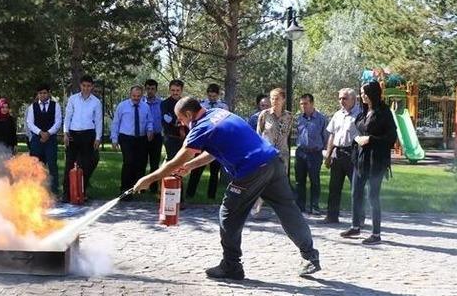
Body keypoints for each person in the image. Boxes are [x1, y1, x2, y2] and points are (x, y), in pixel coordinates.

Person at [132, 96, 321, 279]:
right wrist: (190, 166)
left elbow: (174, 162)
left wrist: (149, 179)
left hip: (251, 170)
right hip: (272, 162)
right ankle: (310, 255)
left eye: (181, 119)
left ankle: (232, 266)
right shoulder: (219, 113)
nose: (180, 123)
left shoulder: (201, 128)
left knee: (228, 215)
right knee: (288, 210)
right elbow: (213, 151)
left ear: (189, 114)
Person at [340, 82, 397, 245]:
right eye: (361, 93)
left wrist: (371, 139)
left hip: (376, 161)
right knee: (356, 192)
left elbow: (391, 138)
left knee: (373, 196)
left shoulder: (384, 112)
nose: (362, 96)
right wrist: (358, 139)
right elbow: (361, 129)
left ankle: (376, 233)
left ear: (373, 93)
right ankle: (355, 226)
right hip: (360, 159)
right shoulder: (364, 111)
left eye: (364, 93)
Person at [322, 88, 361, 224]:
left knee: (356, 188)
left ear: (353, 99)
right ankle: (331, 216)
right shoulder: (338, 114)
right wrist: (328, 155)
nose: (341, 101)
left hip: (353, 153)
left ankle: (358, 219)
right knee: (334, 187)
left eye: (344, 98)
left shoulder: (360, 114)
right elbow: (332, 135)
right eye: (339, 98)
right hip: (337, 153)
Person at [62, 75, 103, 201]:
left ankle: (81, 191)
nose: (86, 88)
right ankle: (66, 194)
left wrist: (98, 138)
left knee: (87, 164)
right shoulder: (73, 99)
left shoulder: (96, 102)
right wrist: (65, 133)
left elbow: (98, 121)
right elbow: (68, 116)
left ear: (92, 87)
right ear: (80, 86)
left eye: (88, 86)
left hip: (88, 135)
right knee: (69, 163)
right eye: (84, 86)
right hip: (73, 134)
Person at [111, 85, 154, 200]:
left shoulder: (145, 107)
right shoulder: (122, 106)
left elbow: (150, 121)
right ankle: (125, 189)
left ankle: (137, 188)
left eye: (138, 96)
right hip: (126, 138)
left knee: (140, 163)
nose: (136, 98)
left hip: (141, 138)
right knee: (128, 162)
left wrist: (150, 130)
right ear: (130, 95)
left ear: (142, 95)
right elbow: (116, 122)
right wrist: (114, 139)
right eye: (134, 96)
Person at [186, 83, 227, 200]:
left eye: (214, 96)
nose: (212, 98)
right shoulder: (202, 105)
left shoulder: (223, 106)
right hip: (203, 140)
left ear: (218, 95)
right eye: (210, 96)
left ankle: (211, 196)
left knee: (215, 171)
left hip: (216, 141)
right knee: (196, 168)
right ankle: (190, 194)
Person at [295, 94, 328, 214]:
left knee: (314, 180)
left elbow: (326, 137)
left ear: (312, 103)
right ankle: (300, 206)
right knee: (300, 181)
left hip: (315, 153)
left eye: (305, 103)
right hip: (301, 152)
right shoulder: (299, 118)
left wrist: (325, 152)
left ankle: (314, 206)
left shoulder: (321, 118)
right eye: (301, 104)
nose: (303, 106)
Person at [26, 84, 62, 193]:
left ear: (49, 93)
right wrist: (41, 133)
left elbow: (58, 121)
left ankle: (54, 191)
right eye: (40, 93)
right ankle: (36, 191)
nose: (42, 95)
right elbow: (30, 123)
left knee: (52, 165)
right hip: (37, 139)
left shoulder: (56, 105)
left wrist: (48, 133)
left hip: (50, 139)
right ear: (37, 94)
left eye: (45, 93)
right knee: (36, 165)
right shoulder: (32, 107)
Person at [257, 88, 293, 170]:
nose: (274, 101)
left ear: (283, 100)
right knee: (266, 179)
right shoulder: (264, 114)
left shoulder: (289, 116)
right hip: (267, 153)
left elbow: (287, 133)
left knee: (280, 180)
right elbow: (259, 134)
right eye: (272, 98)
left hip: (282, 154)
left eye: (277, 98)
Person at [143, 79, 164, 194]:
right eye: (148, 89)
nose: (150, 91)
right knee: (141, 161)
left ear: (156, 90)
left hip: (156, 136)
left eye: (152, 89)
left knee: (155, 163)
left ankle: (153, 187)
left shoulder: (161, 104)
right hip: (142, 137)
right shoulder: (141, 102)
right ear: (145, 89)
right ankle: (140, 186)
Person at [160, 79, 185, 159]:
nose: (175, 92)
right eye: (173, 90)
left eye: (178, 90)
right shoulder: (165, 103)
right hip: (171, 137)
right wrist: (178, 121)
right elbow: (166, 118)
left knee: (183, 162)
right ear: (169, 90)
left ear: (181, 90)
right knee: (173, 161)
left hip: (185, 137)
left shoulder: (186, 103)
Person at [0, 98, 17, 169]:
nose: (5, 109)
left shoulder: (10, 119)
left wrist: (15, 145)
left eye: (7, 107)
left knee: (8, 167)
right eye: (3, 107)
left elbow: (13, 133)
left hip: (8, 147)